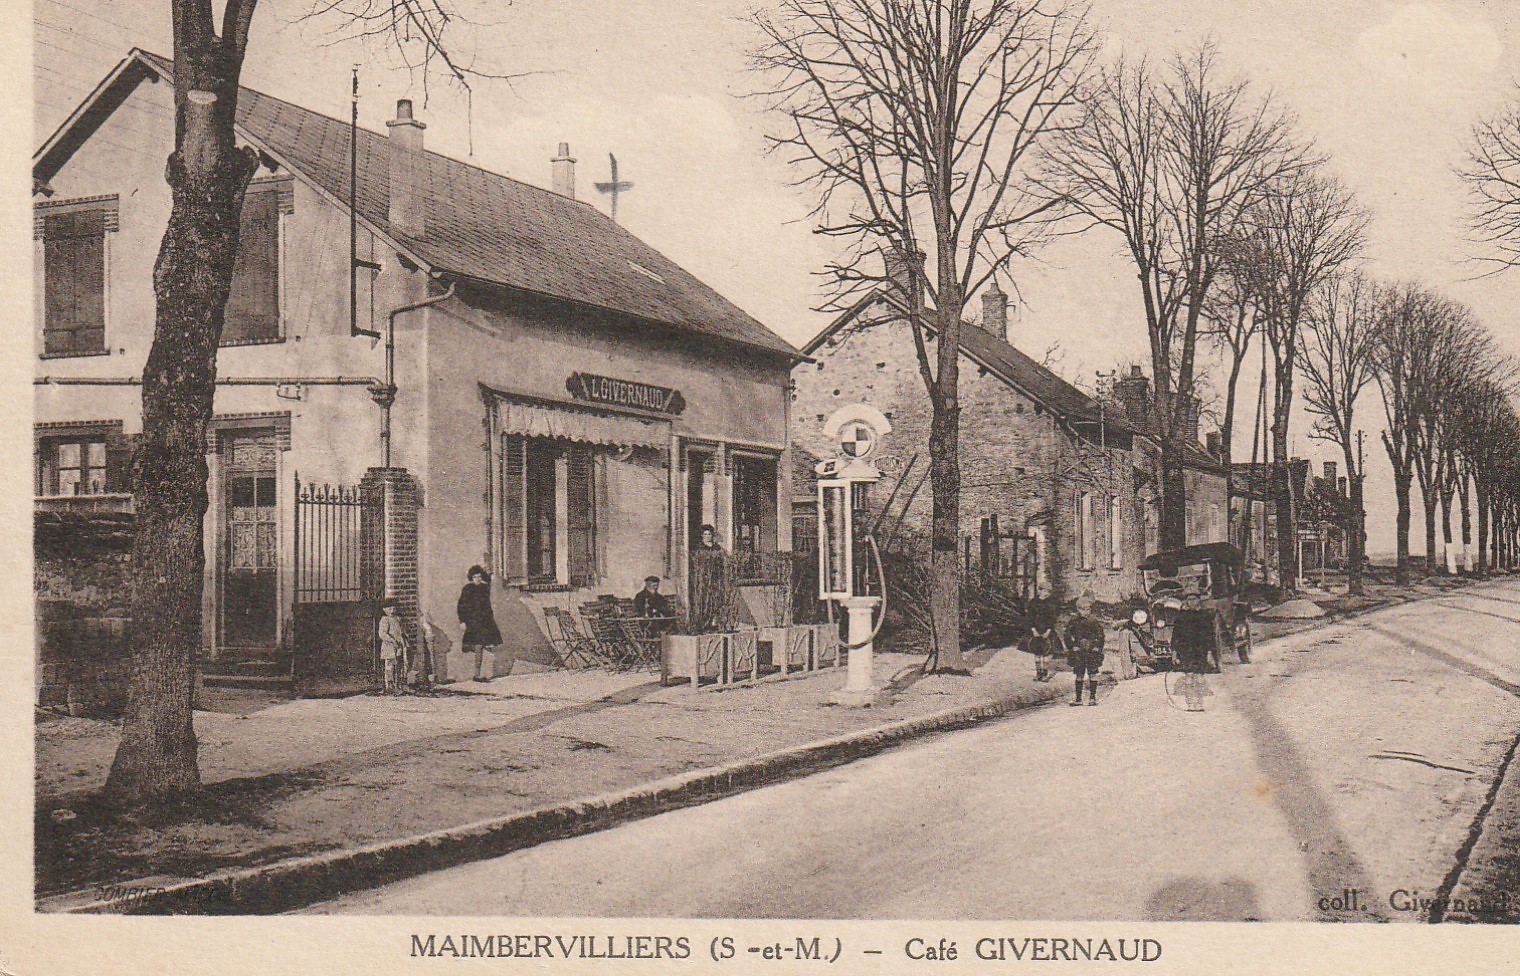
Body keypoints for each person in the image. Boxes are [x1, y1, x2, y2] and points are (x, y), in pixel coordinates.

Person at [457, 565, 502, 682]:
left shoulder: (484, 588)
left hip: (484, 621)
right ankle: (477, 674)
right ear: (471, 578)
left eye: (479, 576)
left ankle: (478, 674)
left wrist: (488, 571)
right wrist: (462, 621)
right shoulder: (467, 589)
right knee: (478, 646)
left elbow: (487, 601)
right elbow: (461, 606)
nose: (477, 579)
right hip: (472, 621)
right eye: (475, 577)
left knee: (481, 645)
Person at [1065, 591, 1106, 707]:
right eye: (1083, 609)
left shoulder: (1093, 621)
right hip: (1079, 652)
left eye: (1088, 609)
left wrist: (1097, 647)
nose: (1086, 612)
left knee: (1093, 673)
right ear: (1078, 609)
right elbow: (1067, 635)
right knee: (1079, 674)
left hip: (1092, 651)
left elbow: (1100, 636)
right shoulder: (1074, 622)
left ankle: (1092, 698)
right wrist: (1072, 646)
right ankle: (1078, 698)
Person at [377, 598, 409, 695]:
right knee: (390, 665)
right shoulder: (385, 620)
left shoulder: (397, 619)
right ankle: (389, 685)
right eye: (389, 609)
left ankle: (399, 684)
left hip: (399, 645)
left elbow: (401, 631)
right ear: (384, 610)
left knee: (400, 664)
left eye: (393, 609)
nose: (392, 611)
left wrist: (403, 639)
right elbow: (382, 634)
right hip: (389, 646)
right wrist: (391, 640)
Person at [1026, 598, 1060, 683]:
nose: (1046, 593)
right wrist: (1033, 630)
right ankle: (1038, 673)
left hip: (1047, 630)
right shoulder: (1033, 602)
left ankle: (1045, 673)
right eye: (1044, 590)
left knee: (1046, 653)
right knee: (1037, 653)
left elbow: (1053, 619)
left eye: (1048, 592)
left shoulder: (1051, 603)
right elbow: (1029, 617)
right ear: (1040, 590)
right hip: (1036, 630)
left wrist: (1048, 631)